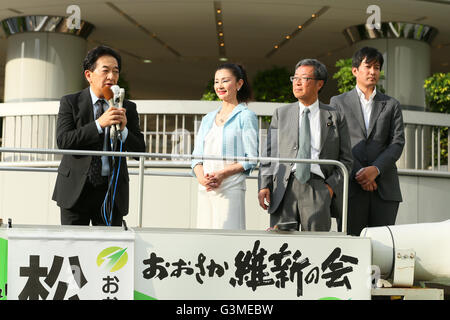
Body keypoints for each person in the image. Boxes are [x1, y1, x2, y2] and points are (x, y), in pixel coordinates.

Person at [52, 45, 146, 226]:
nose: (112, 76)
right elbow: (64, 141)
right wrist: (99, 124)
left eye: (116, 71)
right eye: (106, 71)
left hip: (111, 191)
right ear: (89, 75)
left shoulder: (127, 107)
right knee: (73, 249)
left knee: (108, 250)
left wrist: (124, 131)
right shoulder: (70, 102)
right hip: (76, 190)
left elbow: (139, 151)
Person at [258, 59, 353, 232]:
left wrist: (330, 188)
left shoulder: (335, 116)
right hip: (284, 187)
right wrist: (264, 184)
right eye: (295, 78)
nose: (297, 82)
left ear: (319, 84)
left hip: (318, 187)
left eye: (304, 78)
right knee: (281, 247)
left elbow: (346, 159)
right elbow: (268, 153)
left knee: (316, 247)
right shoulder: (281, 114)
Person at [329, 47, 405, 236]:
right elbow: (335, 143)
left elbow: (397, 143)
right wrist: (360, 174)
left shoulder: (391, 104)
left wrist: (375, 170)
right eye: (368, 66)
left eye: (377, 67)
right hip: (351, 188)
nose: (373, 72)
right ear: (355, 70)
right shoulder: (338, 102)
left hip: (384, 188)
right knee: (351, 248)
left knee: (384, 246)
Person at [191, 63, 258, 230]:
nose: (219, 86)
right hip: (205, 188)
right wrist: (202, 179)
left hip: (231, 186)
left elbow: (251, 158)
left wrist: (222, 174)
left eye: (225, 81)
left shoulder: (246, 116)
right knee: (205, 239)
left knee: (229, 240)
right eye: (216, 81)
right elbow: (196, 157)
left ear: (239, 84)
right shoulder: (208, 118)